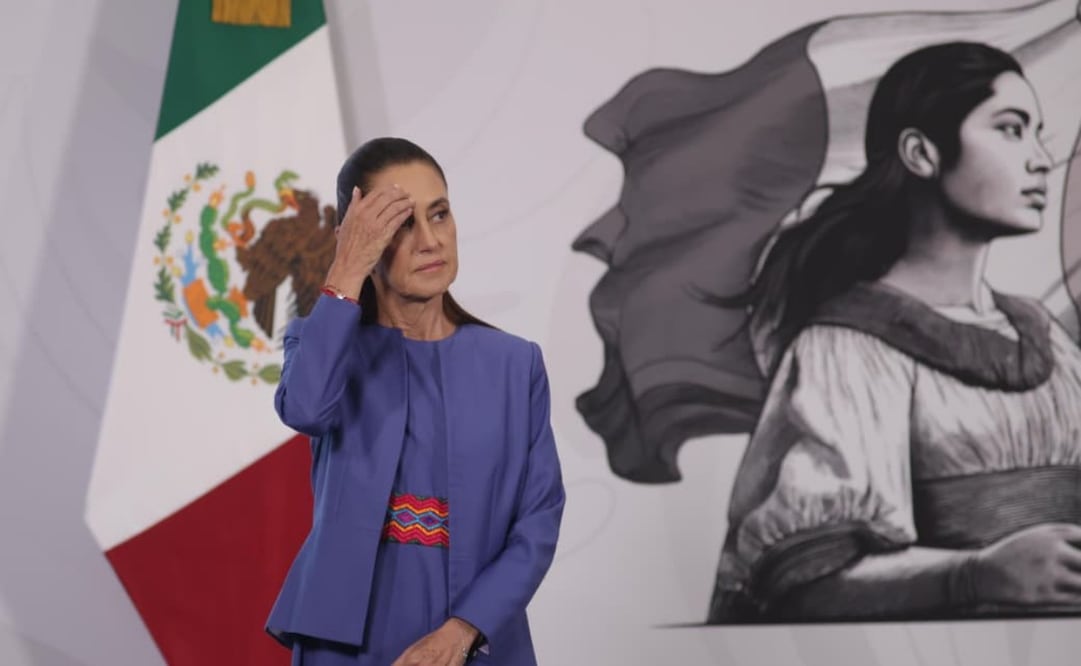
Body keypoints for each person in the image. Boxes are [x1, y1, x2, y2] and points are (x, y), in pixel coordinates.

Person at [706, 42, 1081, 623]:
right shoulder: (848, 348)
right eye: (1011, 130)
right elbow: (802, 583)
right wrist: (975, 574)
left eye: (1038, 134)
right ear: (920, 153)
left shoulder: (1049, 339)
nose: (1039, 160)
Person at [264, 137, 566, 664]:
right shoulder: (324, 346)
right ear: (360, 237)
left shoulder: (515, 365)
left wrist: (461, 631)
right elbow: (306, 409)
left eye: (440, 215)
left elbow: (538, 520)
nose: (430, 240)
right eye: (402, 223)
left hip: (474, 639)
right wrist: (345, 269)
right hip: (344, 642)